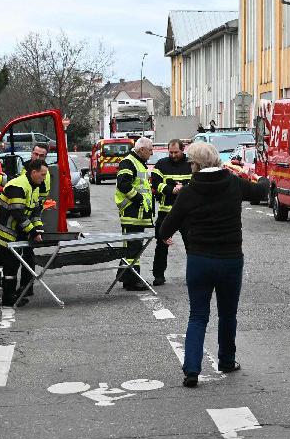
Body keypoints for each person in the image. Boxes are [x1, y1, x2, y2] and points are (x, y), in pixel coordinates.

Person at [158, 142, 269, 388]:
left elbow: (167, 225)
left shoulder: (189, 190)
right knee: (228, 313)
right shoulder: (233, 183)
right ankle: (227, 360)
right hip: (230, 259)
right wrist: (263, 180)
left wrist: (166, 235)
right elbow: (260, 192)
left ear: (195, 164)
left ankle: (191, 369)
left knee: (198, 315)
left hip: (199, 260)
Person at [0, 160, 49, 307]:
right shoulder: (18, 186)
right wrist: (33, 232)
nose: (44, 178)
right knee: (11, 265)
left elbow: (34, 212)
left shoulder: (33, 186)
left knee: (14, 265)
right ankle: (8, 298)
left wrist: (39, 229)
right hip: (4, 233)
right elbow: (18, 213)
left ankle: (11, 295)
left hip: (15, 232)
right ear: (33, 172)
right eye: (42, 175)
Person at [114, 136, 155, 291]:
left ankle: (127, 277)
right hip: (131, 212)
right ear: (142, 149)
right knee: (132, 247)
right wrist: (138, 199)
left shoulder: (138, 162)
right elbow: (123, 184)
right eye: (150, 150)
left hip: (137, 214)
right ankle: (133, 280)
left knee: (134, 247)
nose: (151, 153)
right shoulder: (129, 162)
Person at [149, 139, 191, 286]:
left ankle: (194, 275)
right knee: (161, 244)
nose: (173, 155)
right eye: (171, 152)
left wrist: (183, 187)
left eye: (176, 152)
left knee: (191, 245)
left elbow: (197, 182)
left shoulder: (191, 164)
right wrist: (170, 189)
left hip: (187, 213)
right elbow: (155, 182)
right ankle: (159, 275)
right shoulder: (161, 164)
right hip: (166, 211)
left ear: (183, 149)